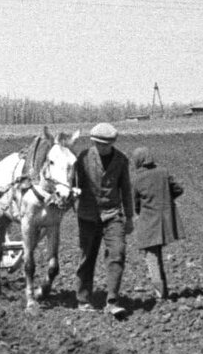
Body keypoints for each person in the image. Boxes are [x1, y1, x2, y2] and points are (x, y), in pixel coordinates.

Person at [73, 122, 134, 316]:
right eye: (98, 144)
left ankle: (113, 301)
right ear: (93, 142)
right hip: (88, 215)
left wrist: (130, 217)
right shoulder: (83, 158)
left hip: (112, 214)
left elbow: (126, 190)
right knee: (87, 257)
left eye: (105, 145)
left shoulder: (121, 160)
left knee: (117, 253)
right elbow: (73, 184)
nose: (101, 148)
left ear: (112, 143)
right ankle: (83, 299)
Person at [130, 146, 184, 301]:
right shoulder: (163, 172)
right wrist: (167, 198)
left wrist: (141, 210)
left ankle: (160, 294)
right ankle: (163, 291)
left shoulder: (137, 178)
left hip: (148, 222)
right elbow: (179, 189)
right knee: (157, 255)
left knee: (152, 258)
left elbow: (136, 204)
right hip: (165, 222)